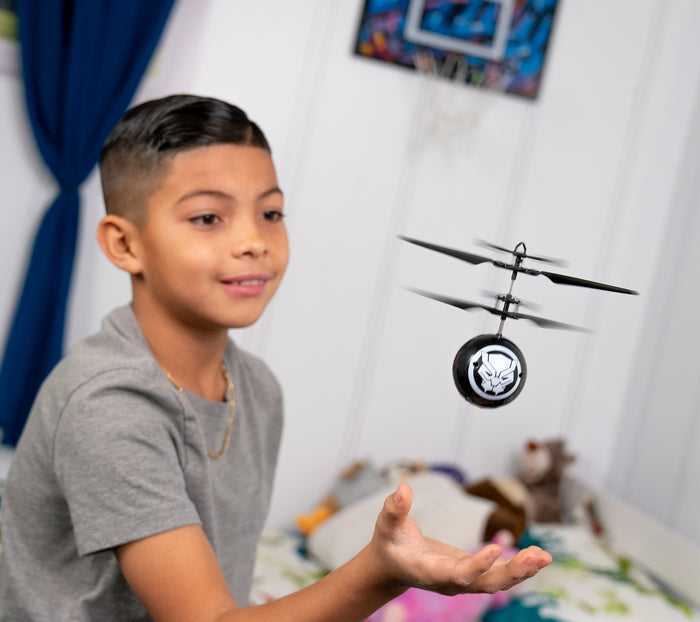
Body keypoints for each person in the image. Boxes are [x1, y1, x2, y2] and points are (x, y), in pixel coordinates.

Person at [0, 94, 551, 622]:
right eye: (208, 218)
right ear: (125, 245)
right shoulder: (107, 407)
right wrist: (380, 571)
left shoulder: (255, 387)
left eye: (270, 212)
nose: (254, 240)